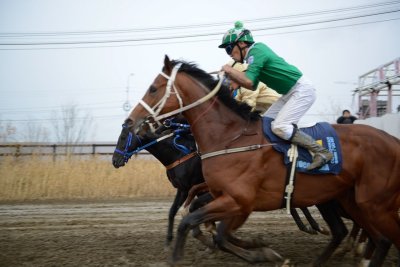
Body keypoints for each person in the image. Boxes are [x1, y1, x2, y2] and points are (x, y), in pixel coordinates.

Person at [219, 21, 333, 170]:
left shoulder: (257, 51)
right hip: (290, 93)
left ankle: (321, 152)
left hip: (302, 90)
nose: (229, 55)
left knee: (280, 126)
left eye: (229, 49)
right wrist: (227, 80)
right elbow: (246, 84)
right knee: (266, 123)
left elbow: (249, 81)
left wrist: (229, 70)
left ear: (241, 44)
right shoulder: (252, 58)